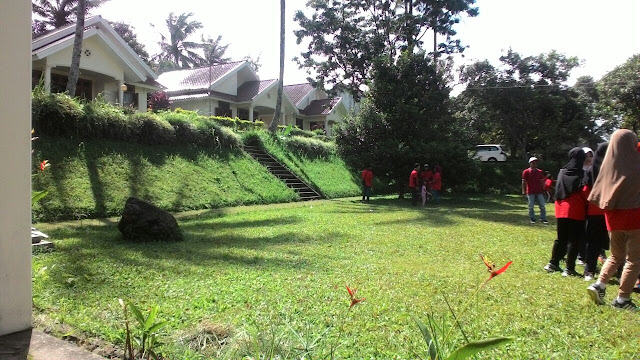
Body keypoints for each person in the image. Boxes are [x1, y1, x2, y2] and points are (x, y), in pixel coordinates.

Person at [586, 129, 640, 310]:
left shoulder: (607, 166)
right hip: (635, 217)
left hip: (613, 218)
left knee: (616, 255)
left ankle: (599, 285)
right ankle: (622, 299)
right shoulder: (636, 164)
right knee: (634, 260)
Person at [544, 148, 587, 277]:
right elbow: (584, 191)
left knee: (561, 238)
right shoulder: (582, 173)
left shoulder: (562, 172)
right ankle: (569, 269)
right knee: (574, 240)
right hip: (576, 209)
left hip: (560, 208)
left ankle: (553, 263)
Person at [583, 143, 609, 281]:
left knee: (593, 242)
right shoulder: (613, 168)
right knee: (619, 246)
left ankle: (589, 271)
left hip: (593, 211)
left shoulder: (590, 170)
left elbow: (585, 191)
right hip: (610, 211)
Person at [522, 157, 548, 224]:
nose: (535, 164)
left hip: (539, 191)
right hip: (530, 191)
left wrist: (543, 188)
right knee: (531, 206)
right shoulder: (526, 172)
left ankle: (543, 218)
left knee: (542, 205)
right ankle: (532, 219)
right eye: (533, 163)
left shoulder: (540, 172)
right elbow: (524, 182)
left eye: (536, 163)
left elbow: (542, 181)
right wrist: (524, 190)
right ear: (530, 163)